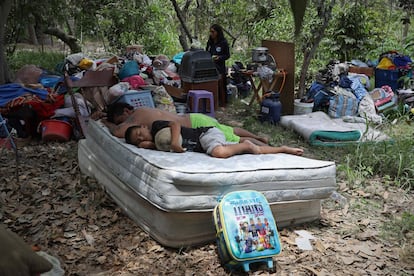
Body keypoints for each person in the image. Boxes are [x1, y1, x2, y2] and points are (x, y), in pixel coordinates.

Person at [103, 102, 269, 145]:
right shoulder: (145, 109)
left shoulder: (136, 115)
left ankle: (265, 147)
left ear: (126, 112)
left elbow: (118, 132)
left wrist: (105, 122)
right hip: (194, 117)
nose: (123, 123)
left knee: (233, 139)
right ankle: (260, 138)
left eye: (121, 120)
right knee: (230, 129)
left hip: (194, 125)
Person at [124, 120, 304, 159]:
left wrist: (174, 143)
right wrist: (147, 145)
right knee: (252, 150)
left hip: (205, 134)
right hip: (204, 145)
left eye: (140, 133)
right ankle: (282, 149)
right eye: (137, 140)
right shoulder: (157, 144)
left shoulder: (156, 126)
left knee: (218, 152)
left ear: (144, 127)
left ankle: (246, 143)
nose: (141, 138)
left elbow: (175, 125)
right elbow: (156, 145)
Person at [206, 24, 230, 106]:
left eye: (213, 32)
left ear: (217, 32)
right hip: (210, 65)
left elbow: (227, 55)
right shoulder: (210, 42)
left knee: (221, 84)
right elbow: (207, 51)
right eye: (210, 32)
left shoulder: (223, 42)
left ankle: (223, 101)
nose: (211, 34)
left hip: (219, 67)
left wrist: (219, 57)